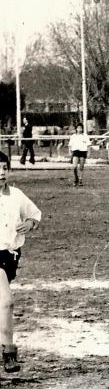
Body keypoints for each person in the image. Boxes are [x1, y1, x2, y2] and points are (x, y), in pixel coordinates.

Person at [0, 152, 43, 373]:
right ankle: (9, 352)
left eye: (4, 168)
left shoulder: (16, 195)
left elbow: (35, 214)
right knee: (6, 302)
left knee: (2, 302)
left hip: (10, 256)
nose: (1, 173)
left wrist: (30, 223)